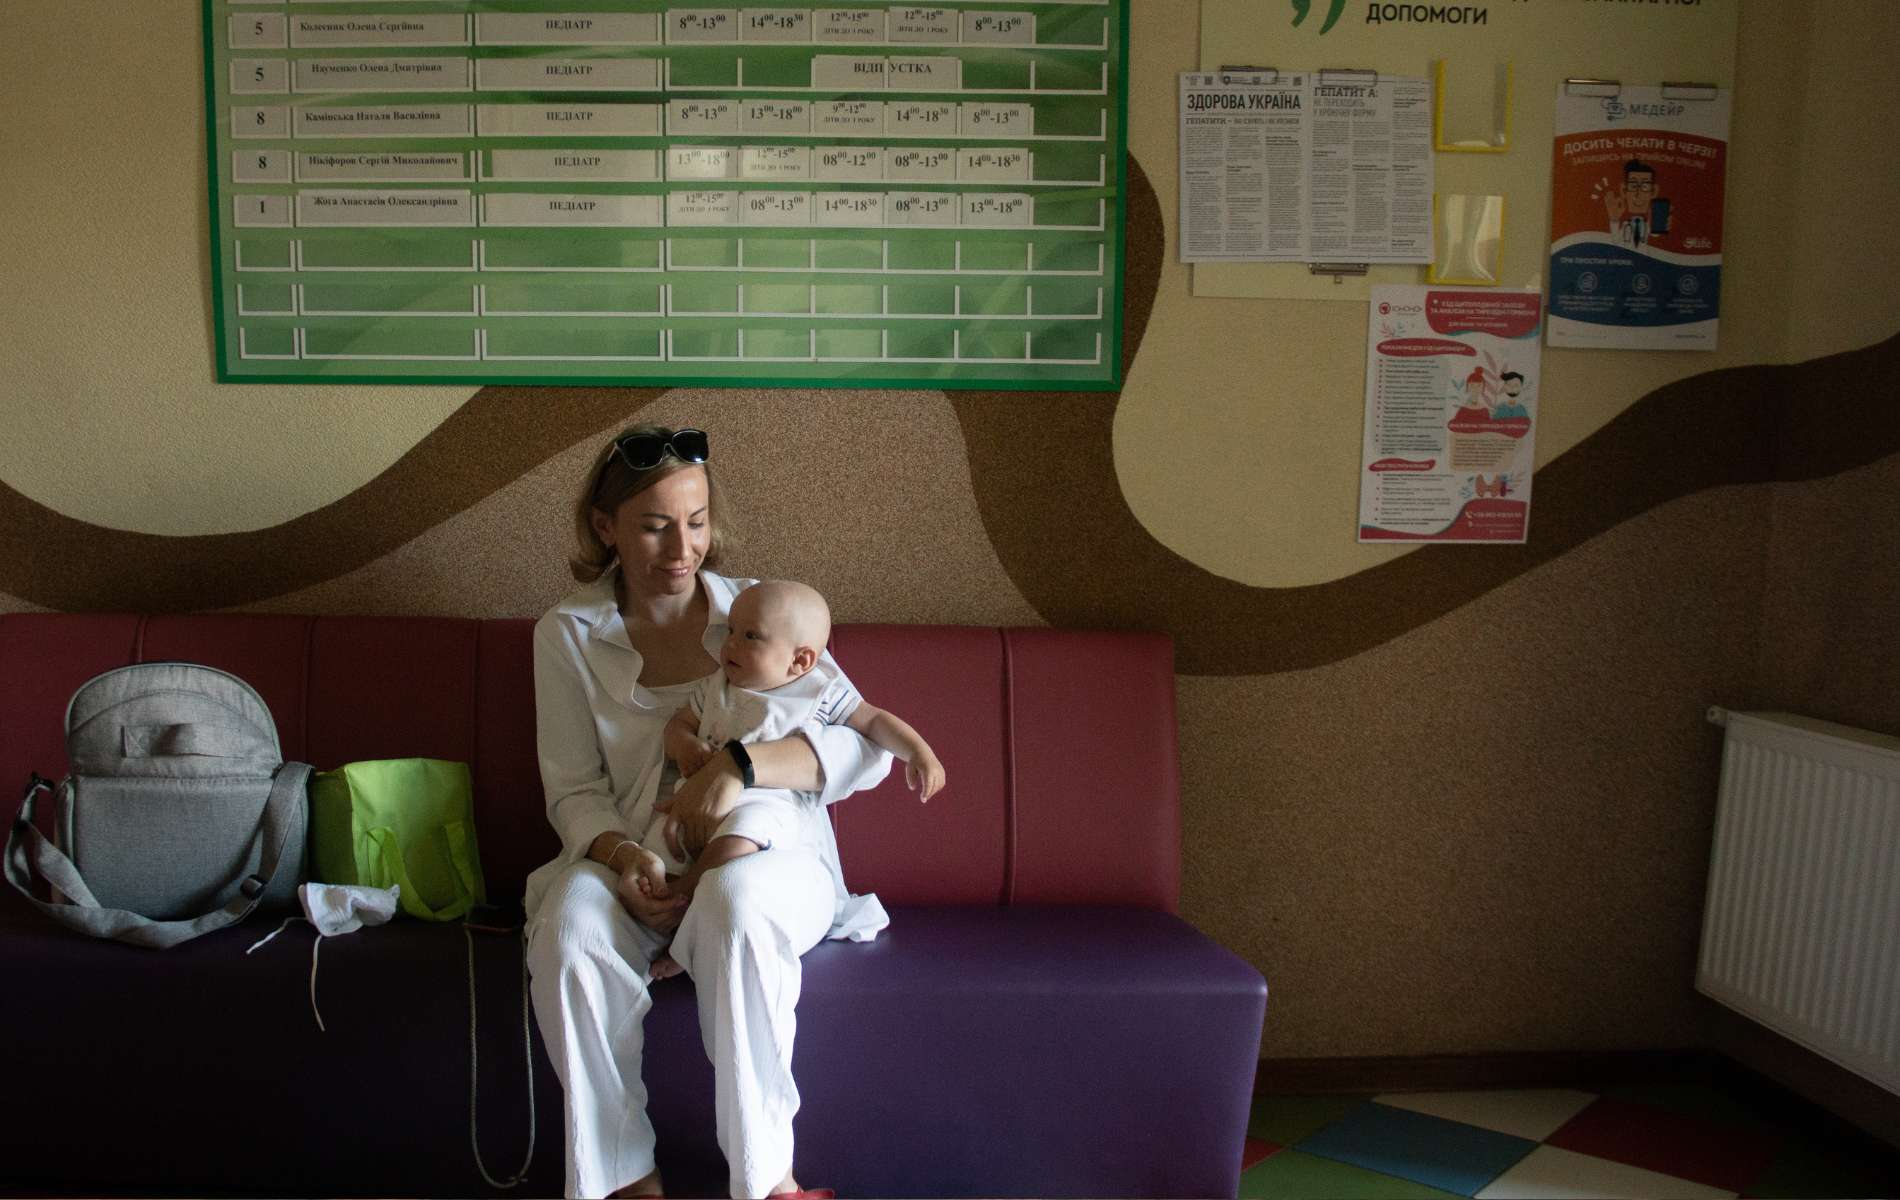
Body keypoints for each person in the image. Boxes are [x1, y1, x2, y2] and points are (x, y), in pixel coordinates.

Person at [524, 424, 894, 1200]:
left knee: (735, 899)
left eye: (695, 523)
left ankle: (767, 1182)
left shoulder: (762, 611)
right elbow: (573, 790)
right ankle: (625, 1179)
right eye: (655, 527)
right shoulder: (566, 634)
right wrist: (625, 858)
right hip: (639, 854)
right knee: (571, 927)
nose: (681, 549)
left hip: (769, 857)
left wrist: (739, 766)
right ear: (605, 527)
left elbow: (865, 748)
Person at [622, 579, 944, 977]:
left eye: (750, 636)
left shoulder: (820, 693)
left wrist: (919, 752)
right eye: (731, 631)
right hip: (696, 797)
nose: (730, 644)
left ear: (801, 661)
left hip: (769, 805)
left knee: (739, 840)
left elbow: (874, 721)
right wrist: (686, 746)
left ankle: (684, 904)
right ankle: (662, 918)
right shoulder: (715, 687)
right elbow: (678, 725)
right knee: (659, 843)